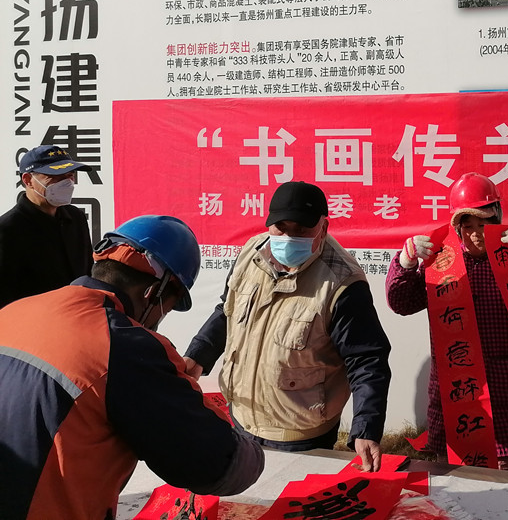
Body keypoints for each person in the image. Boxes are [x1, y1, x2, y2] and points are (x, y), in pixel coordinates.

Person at [0, 215, 264, 520]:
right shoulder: (124, 345)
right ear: (153, 293)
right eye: (169, 305)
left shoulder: (15, 311)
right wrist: (253, 448)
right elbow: (216, 463)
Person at [184, 181, 391, 469]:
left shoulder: (342, 284)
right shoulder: (251, 254)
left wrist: (366, 428)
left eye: (302, 230)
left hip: (300, 435)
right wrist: (198, 356)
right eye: (280, 228)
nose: (288, 238)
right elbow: (227, 310)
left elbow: (367, 359)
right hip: (242, 417)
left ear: (323, 227)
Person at [385, 172, 508, 472]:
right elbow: (401, 304)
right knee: (455, 480)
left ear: (497, 219)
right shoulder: (442, 262)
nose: (476, 234)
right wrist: (404, 264)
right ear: (456, 227)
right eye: (467, 226)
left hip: (507, 393)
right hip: (455, 393)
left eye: (483, 224)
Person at [0, 144, 93, 308]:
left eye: (70, 176)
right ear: (28, 180)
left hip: (78, 315)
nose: (67, 183)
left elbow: (87, 272)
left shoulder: (76, 217)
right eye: (56, 177)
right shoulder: (7, 230)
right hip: (33, 320)